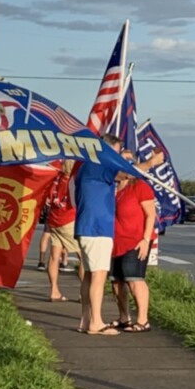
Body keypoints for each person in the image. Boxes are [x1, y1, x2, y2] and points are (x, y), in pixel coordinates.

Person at [74, 133, 124, 335]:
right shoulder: (99, 163)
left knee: (88, 275)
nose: (118, 158)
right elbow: (124, 174)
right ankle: (96, 322)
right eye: (117, 153)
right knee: (99, 276)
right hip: (97, 228)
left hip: (87, 227)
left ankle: (86, 320)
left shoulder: (87, 165)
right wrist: (151, 163)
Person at [110, 151, 156, 331]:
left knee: (134, 278)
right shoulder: (112, 186)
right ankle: (124, 317)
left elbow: (150, 214)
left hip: (136, 240)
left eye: (129, 163)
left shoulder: (140, 186)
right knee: (116, 281)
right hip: (115, 241)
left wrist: (145, 239)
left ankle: (143, 320)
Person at [44, 160, 82, 301]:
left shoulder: (56, 179)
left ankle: (54, 290)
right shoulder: (71, 182)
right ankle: (83, 293)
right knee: (83, 256)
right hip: (69, 220)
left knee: (54, 256)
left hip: (54, 219)